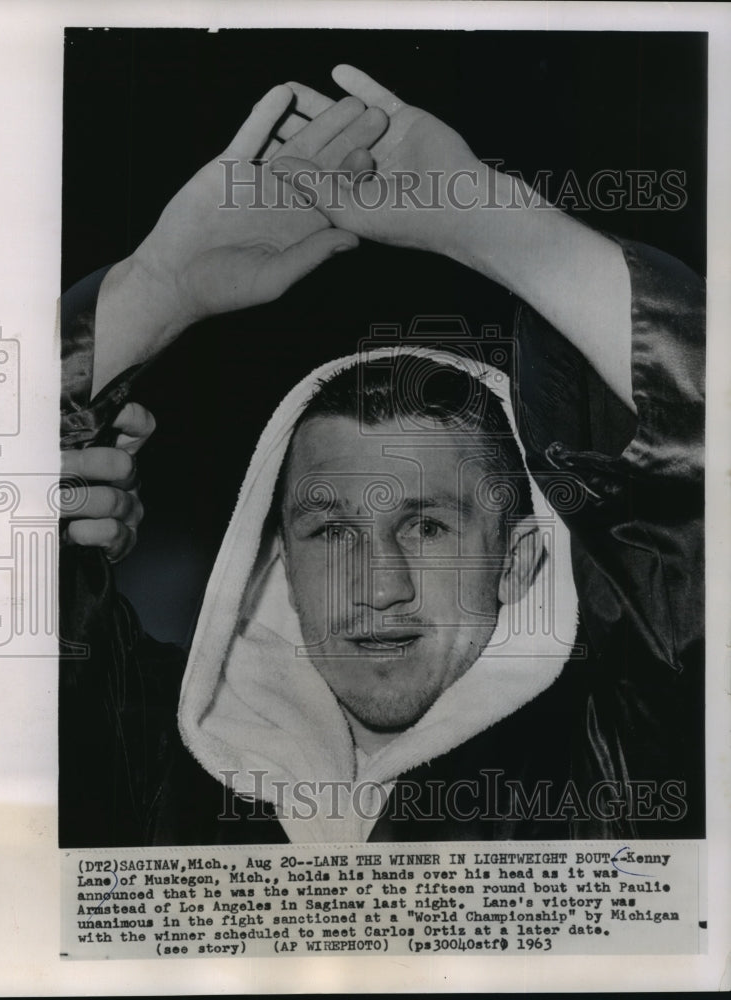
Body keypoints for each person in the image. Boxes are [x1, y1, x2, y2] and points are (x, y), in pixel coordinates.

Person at [60, 68, 704, 846]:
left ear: (517, 557)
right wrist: (156, 288)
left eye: (428, 527)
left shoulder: (621, 750)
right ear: (272, 566)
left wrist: (493, 224)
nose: (379, 586)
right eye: (330, 532)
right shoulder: (155, 757)